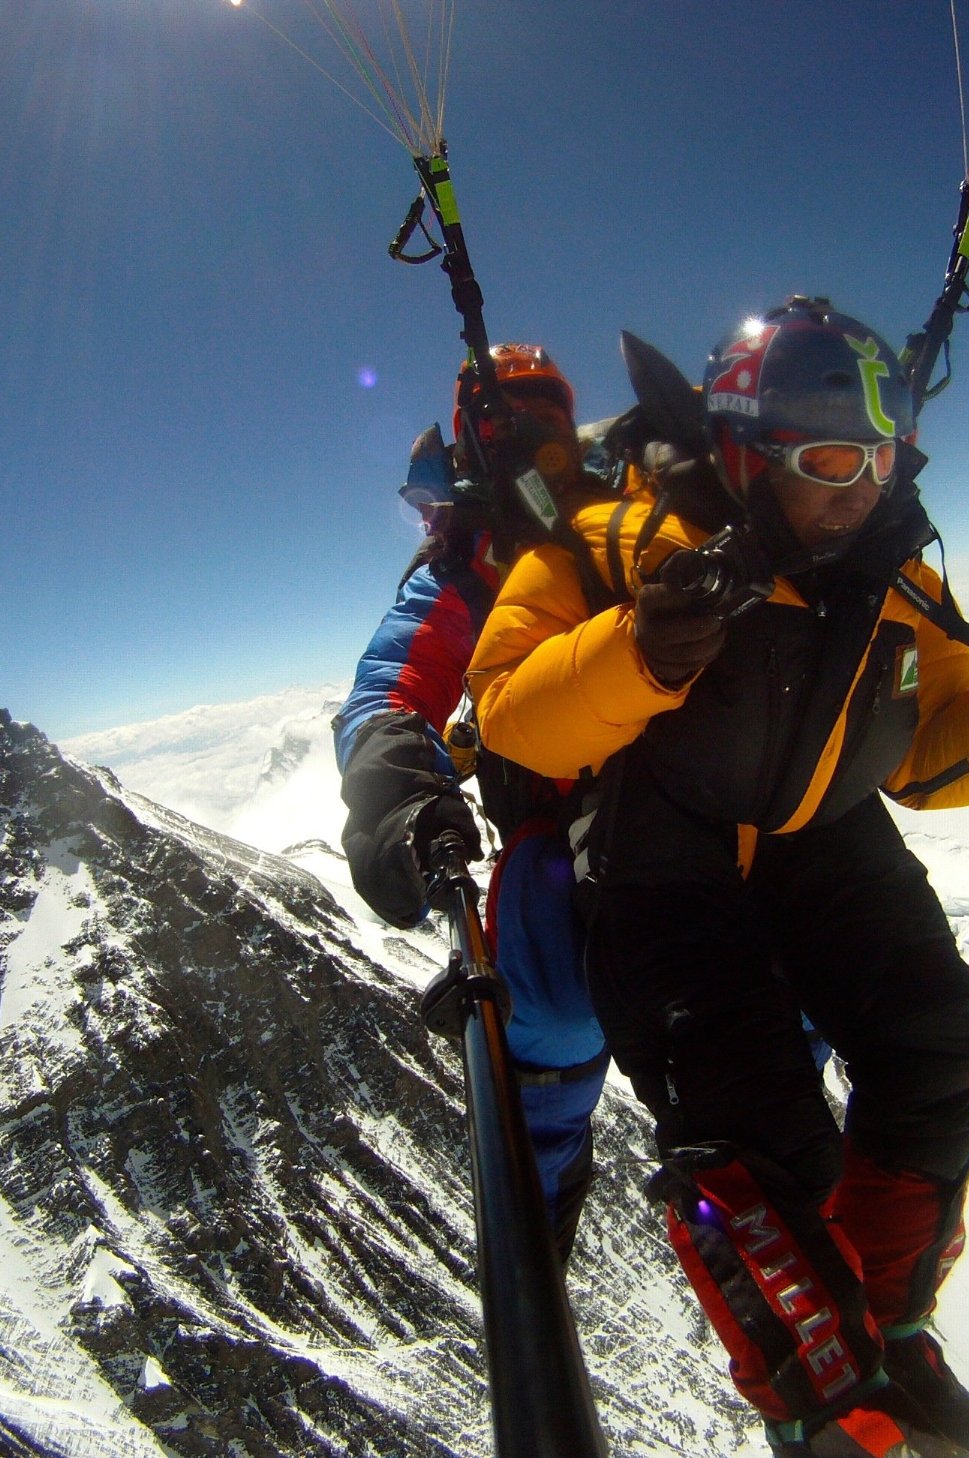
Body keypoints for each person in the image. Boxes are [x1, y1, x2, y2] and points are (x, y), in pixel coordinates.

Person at [468, 297, 969, 1458]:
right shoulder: (607, 541)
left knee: (944, 1050)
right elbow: (509, 722)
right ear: (745, 447)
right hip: (659, 863)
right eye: (834, 459)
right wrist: (637, 649)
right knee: (752, 1122)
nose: (861, 489)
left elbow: (927, 758)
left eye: (879, 459)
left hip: (821, 844)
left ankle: (891, 1324)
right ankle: (826, 1402)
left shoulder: (890, 578)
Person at [332, 343, 612, 1261]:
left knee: (551, 1008)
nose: (528, 441)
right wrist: (404, 796)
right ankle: (544, 1186)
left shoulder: (611, 518)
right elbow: (388, 694)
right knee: (549, 1003)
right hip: (567, 807)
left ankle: (537, 1210)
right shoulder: (473, 565)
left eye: (540, 420)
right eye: (509, 422)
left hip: (636, 789)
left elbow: (386, 694)